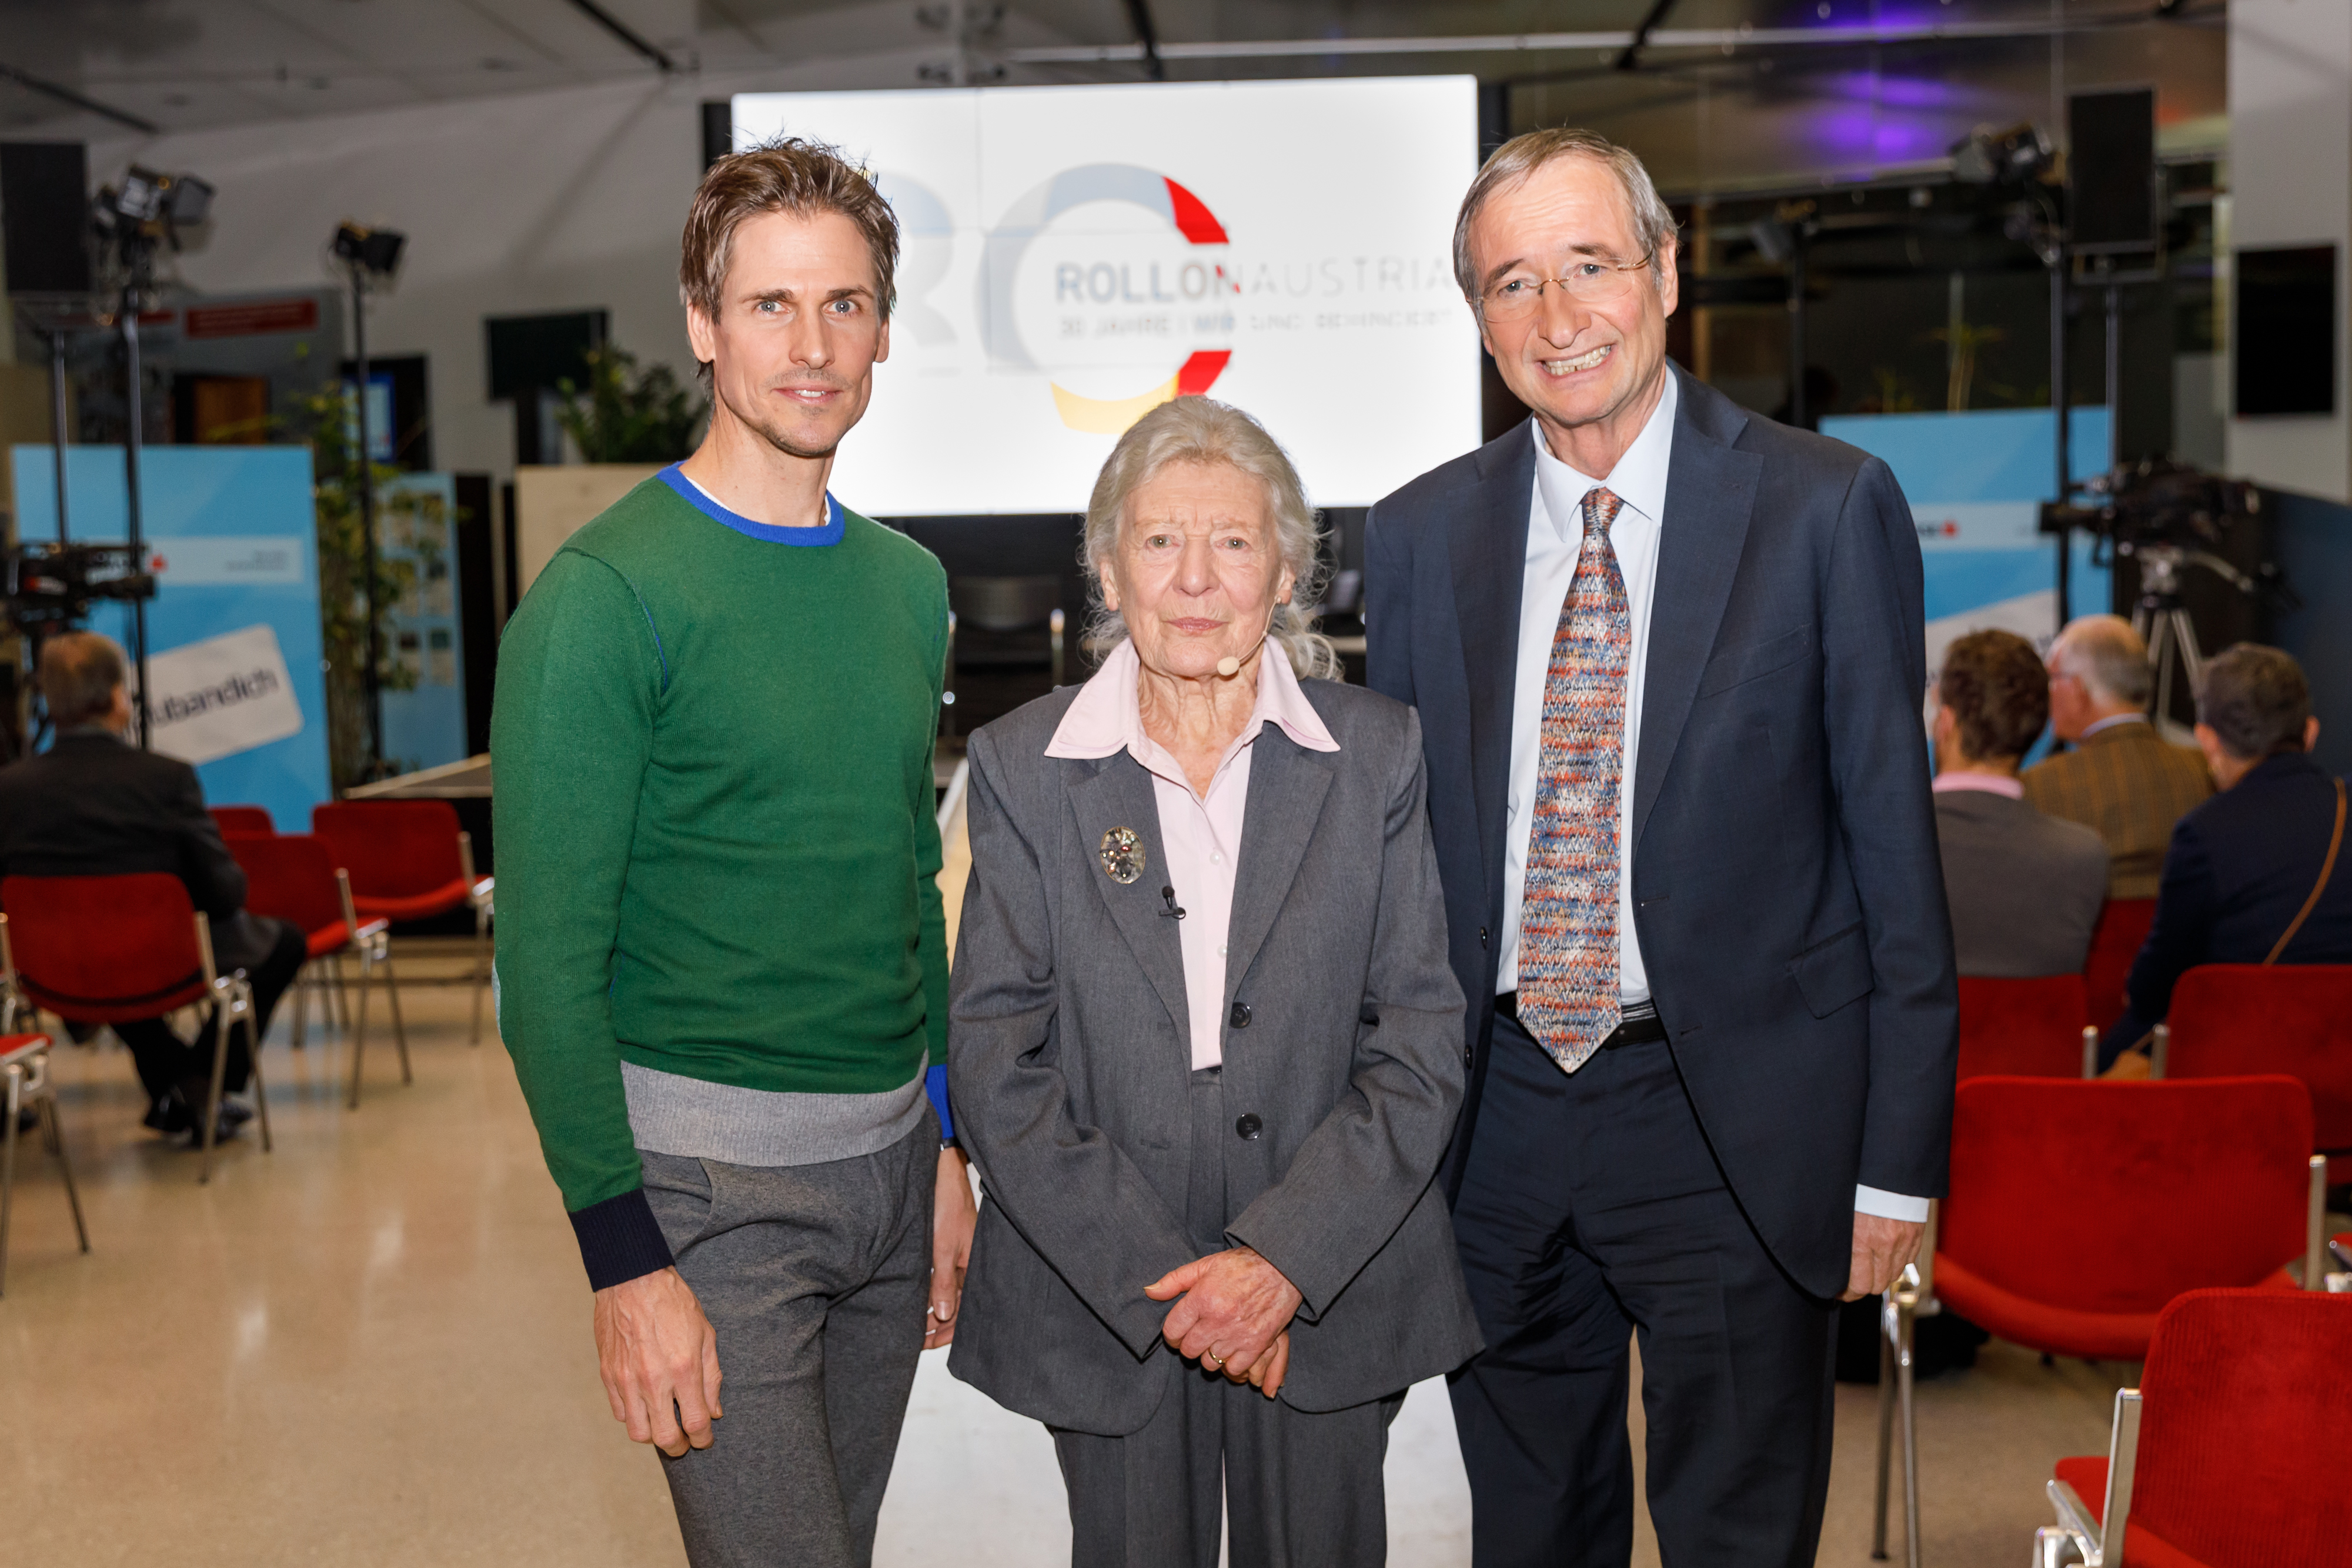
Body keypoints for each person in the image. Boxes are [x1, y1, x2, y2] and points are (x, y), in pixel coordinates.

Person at [1364, 128, 1957, 1567]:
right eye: (1512, 283)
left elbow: (1895, 866)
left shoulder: (1826, 508)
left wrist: (1895, 1173)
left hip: (1734, 1125)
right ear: (1478, 319)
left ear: (1666, 273)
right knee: (1526, 1530)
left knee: (1737, 1533)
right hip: (1492, 1120)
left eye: (1588, 266)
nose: (1557, 319)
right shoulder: (1414, 535)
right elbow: (1389, 865)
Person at [490, 138, 974, 1568]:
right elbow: (547, 973)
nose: (812, 346)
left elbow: (903, 880)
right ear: (702, 324)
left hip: (893, 1176)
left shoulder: (907, 586)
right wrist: (621, 1258)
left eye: (844, 304)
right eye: (771, 305)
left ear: (883, 325)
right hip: (709, 1195)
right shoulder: (602, 598)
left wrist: (943, 1145)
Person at [947, 397, 1482, 1568]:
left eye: (1232, 542)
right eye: (1157, 541)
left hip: (1328, 1267)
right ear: (1104, 565)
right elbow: (995, 1056)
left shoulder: (1376, 753)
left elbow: (1421, 1033)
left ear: (1284, 567)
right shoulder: (1023, 769)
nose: (1194, 579)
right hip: (1103, 1282)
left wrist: (1283, 1257)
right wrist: (1172, 1287)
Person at [0, 631, 304, 1140]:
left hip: (49, 970)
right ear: (118, 696)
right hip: (155, 959)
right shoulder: (166, 779)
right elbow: (224, 894)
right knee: (284, 942)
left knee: (100, 960)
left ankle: (182, 1086)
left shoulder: (10, 790)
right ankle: (204, 1083)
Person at [2099, 644, 2350, 1071]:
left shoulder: (2204, 832)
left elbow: (2158, 982)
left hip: (2248, 1066)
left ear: (2207, 739)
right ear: (2309, 732)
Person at [1931, 628, 2109, 977]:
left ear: (1946, 722)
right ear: (2041, 728)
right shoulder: (2085, 858)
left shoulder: (1876, 847)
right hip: (2044, 1032)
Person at [2023, 613, 2211, 898]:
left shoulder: (2039, 788)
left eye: (2052, 679)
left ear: (2076, 689)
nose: (2046, 694)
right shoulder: (2206, 770)